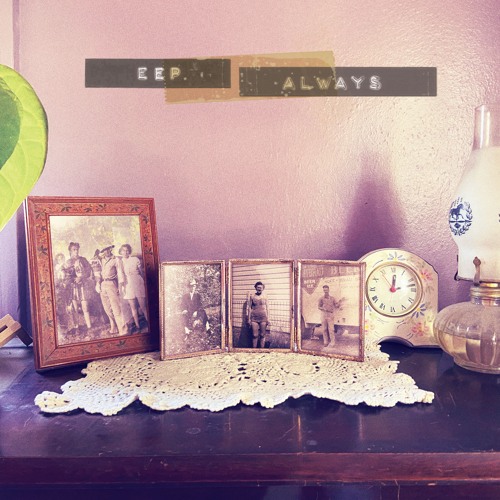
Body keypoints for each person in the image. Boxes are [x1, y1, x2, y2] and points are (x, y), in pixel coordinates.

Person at [94, 245, 126, 336]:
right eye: (104, 250)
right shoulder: (100, 260)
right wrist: (97, 283)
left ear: (110, 249)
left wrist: (120, 287)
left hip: (112, 284)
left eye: (107, 249)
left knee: (116, 308)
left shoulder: (116, 260)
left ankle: (123, 330)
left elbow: (120, 274)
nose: (106, 251)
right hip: (103, 284)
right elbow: (97, 274)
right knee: (107, 309)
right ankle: (114, 327)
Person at [64, 242, 93, 332]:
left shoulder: (83, 260)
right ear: (70, 251)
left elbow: (89, 271)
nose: (76, 251)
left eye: (77, 249)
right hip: (73, 287)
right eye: (74, 250)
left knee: (85, 307)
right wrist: (73, 280)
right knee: (75, 309)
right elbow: (66, 277)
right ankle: (77, 328)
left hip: (83, 286)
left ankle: (89, 328)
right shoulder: (68, 262)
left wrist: (81, 277)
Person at [118, 244, 148, 332]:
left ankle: (149, 324)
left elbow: (141, 272)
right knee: (133, 307)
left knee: (143, 306)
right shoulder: (120, 262)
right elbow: (120, 275)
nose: (125, 252)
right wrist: (122, 287)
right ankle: (138, 326)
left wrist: (144, 281)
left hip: (138, 282)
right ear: (121, 252)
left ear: (129, 251)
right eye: (123, 250)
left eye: (127, 250)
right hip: (128, 284)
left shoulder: (135, 259)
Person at [246, 281, 269, 348]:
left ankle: (262, 350)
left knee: (262, 335)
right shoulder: (252, 296)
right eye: (258, 287)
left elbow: (268, 308)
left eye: (261, 287)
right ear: (255, 288)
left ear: (263, 288)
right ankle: (254, 350)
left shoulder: (265, 296)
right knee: (254, 335)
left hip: (263, 317)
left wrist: (268, 318)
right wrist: (249, 319)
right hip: (254, 318)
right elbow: (249, 308)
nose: (259, 289)